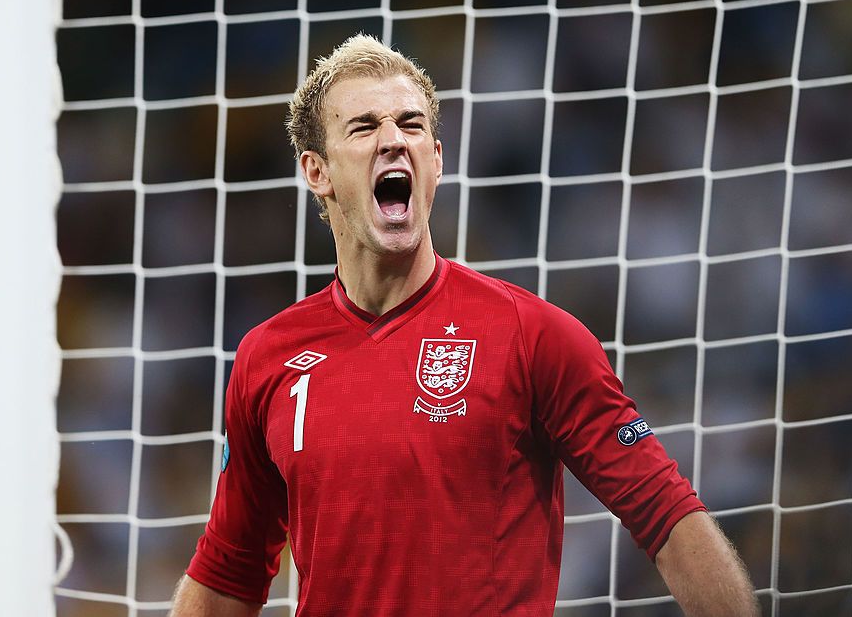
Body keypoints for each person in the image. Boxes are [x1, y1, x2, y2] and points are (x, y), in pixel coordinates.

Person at [169, 34, 759, 616]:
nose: (394, 141)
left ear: (437, 162)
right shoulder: (267, 357)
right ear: (317, 171)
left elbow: (667, 516)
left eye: (412, 125)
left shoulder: (533, 335)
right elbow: (230, 571)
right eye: (365, 127)